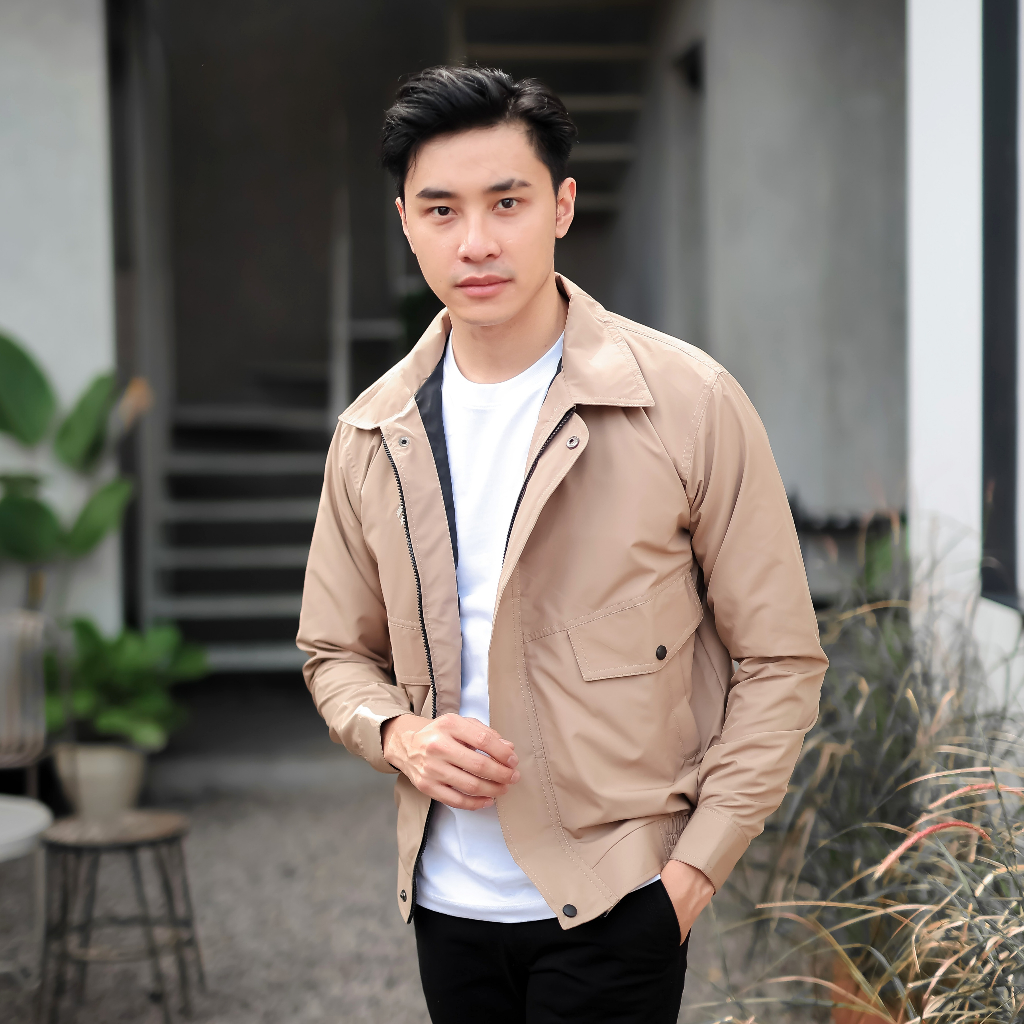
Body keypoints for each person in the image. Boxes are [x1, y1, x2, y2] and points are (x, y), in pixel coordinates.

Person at [297, 65, 827, 1024]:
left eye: (507, 202)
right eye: (442, 210)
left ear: (563, 206)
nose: (477, 241)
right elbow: (334, 651)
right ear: (406, 222)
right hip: (447, 910)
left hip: (622, 904)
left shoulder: (688, 403)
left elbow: (780, 658)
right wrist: (399, 735)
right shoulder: (373, 432)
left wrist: (691, 877)